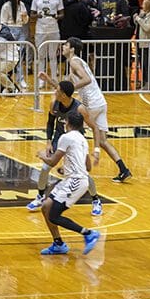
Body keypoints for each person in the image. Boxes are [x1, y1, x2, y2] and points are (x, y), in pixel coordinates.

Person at [44, 38, 132, 182]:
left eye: (66, 45)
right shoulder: (77, 62)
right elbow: (63, 88)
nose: (63, 47)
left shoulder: (74, 61)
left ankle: (72, 167)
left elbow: (86, 80)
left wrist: (73, 88)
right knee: (102, 141)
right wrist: (49, 80)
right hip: (100, 102)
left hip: (91, 103)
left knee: (73, 133)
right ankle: (123, 169)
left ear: (72, 49)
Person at [27, 81, 104, 217]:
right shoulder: (54, 104)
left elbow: (95, 128)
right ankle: (40, 196)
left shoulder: (80, 109)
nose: (55, 92)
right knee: (45, 168)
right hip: (59, 138)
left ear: (64, 94)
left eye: (57, 90)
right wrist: (49, 142)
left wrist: (96, 149)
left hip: (75, 141)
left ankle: (96, 200)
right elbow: (50, 123)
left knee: (83, 173)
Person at [36, 108, 102, 256]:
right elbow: (88, 167)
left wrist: (41, 155)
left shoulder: (66, 137)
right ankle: (58, 243)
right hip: (73, 179)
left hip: (76, 182)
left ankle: (88, 233)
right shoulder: (82, 139)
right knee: (46, 207)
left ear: (68, 123)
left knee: (54, 215)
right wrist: (66, 169)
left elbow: (52, 162)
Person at [32, 0, 64, 84]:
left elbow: (62, 14)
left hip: (53, 29)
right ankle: (41, 79)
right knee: (41, 55)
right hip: (40, 30)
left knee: (53, 55)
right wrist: (38, 15)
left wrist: (57, 16)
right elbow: (32, 14)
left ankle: (54, 78)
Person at [133, 0, 150, 90]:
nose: (142, 5)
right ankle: (143, 81)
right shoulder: (144, 15)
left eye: (144, 4)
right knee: (142, 63)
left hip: (147, 44)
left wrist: (139, 19)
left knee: (147, 64)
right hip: (140, 43)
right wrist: (138, 17)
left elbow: (147, 28)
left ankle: (149, 83)